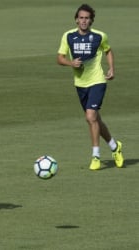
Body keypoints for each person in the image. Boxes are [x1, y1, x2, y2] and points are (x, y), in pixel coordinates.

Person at [57, 4, 124, 170]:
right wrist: (70, 63)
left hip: (97, 81)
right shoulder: (68, 36)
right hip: (80, 84)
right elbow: (60, 58)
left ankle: (96, 156)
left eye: (87, 18)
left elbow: (108, 51)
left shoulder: (100, 36)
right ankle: (115, 147)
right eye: (81, 17)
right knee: (95, 120)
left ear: (91, 20)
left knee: (90, 117)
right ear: (76, 19)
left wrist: (111, 68)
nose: (84, 21)